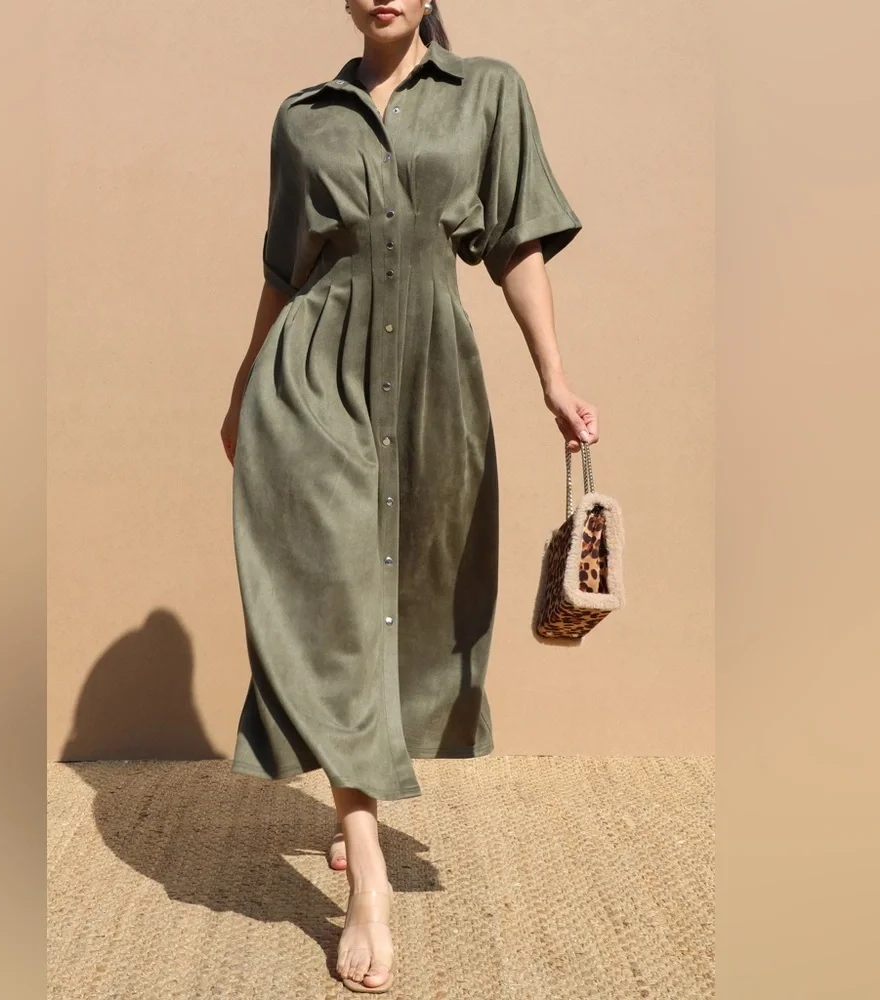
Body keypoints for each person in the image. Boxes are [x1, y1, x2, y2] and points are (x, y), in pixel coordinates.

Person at [219, 2, 599, 992]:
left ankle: (357, 789)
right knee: (336, 608)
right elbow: (285, 267)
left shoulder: (488, 93)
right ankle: (368, 876)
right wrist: (244, 383)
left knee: (415, 598)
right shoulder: (302, 118)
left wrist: (553, 378)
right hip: (312, 380)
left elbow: (516, 242)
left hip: (432, 377)